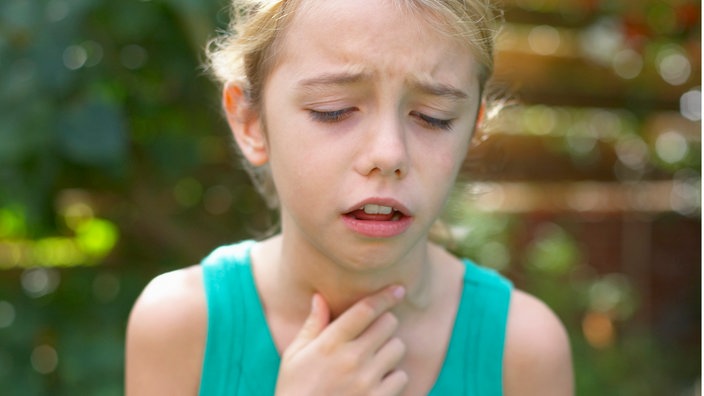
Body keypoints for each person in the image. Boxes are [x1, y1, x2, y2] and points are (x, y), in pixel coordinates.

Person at [125, 0, 574, 394]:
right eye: (333, 110)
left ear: (473, 129)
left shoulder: (523, 349)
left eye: (433, 117)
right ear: (249, 121)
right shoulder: (182, 328)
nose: (389, 154)